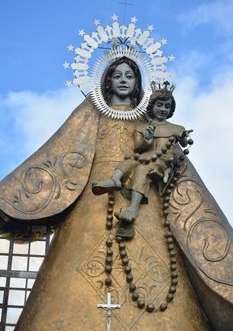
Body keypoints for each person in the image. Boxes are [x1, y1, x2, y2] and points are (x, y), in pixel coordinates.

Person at [0, 56, 232, 331]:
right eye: (118, 75)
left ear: (137, 83)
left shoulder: (150, 121)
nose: (123, 80)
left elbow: (171, 156)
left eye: (129, 76)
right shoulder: (91, 113)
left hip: (145, 201)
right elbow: (60, 153)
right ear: (107, 80)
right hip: (94, 200)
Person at [92, 83, 192, 238]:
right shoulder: (142, 126)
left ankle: (132, 208)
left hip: (163, 161)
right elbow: (139, 148)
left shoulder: (177, 127)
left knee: (141, 170)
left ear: (171, 110)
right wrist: (148, 137)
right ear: (152, 107)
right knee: (128, 163)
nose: (163, 109)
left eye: (167, 106)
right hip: (146, 157)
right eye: (159, 105)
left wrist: (184, 137)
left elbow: (184, 143)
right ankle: (115, 180)